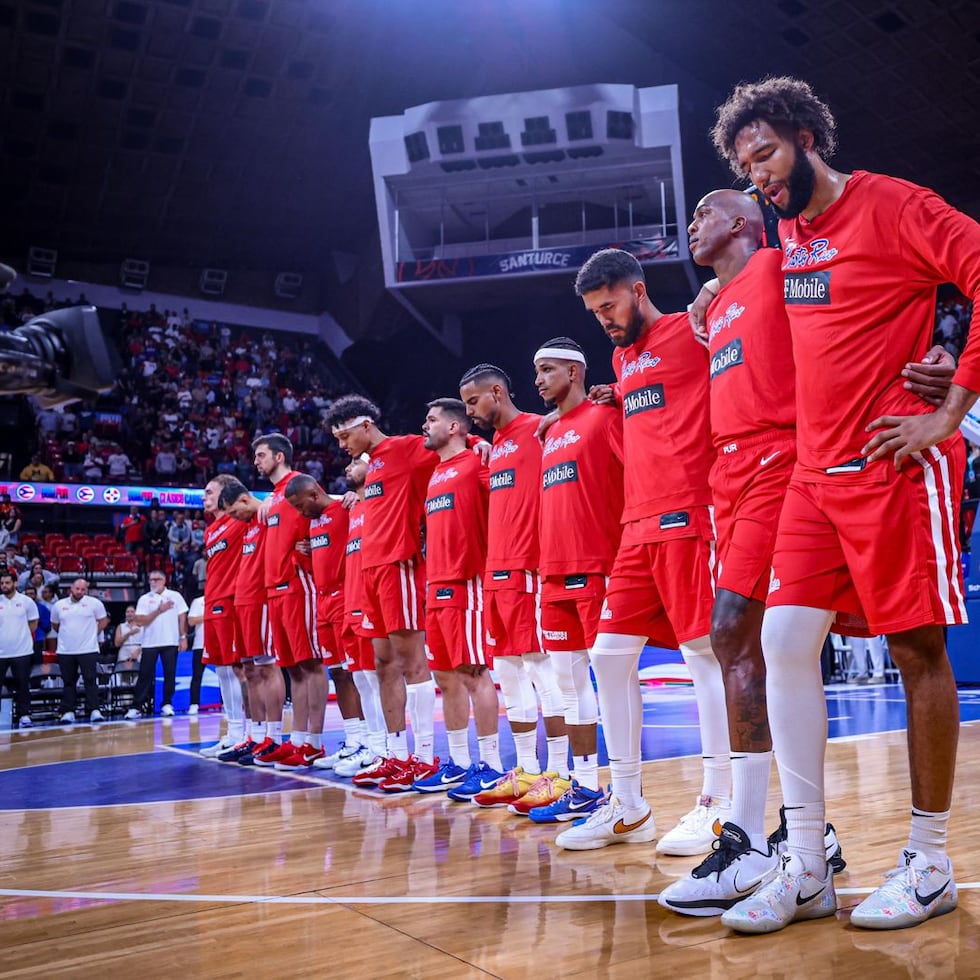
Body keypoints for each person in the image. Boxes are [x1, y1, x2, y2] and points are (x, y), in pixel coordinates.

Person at [710, 75, 980, 934]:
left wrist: (952, 403)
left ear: (805, 137)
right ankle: (805, 865)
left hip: (895, 460)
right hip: (813, 476)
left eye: (767, 154)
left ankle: (931, 862)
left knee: (915, 649)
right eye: (746, 166)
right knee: (783, 641)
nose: (759, 176)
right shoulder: (789, 233)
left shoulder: (893, 204)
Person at [556, 247, 731, 854]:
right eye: (595, 311)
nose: (604, 318)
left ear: (637, 288)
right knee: (607, 657)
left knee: (704, 655)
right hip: (637, 523)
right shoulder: (621, 357)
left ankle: (719, 802)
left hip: (691, 513)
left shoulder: (693, 329)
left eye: (610, 305)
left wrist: (712, 295)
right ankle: (628, 804)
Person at [458, 364, 570, 809]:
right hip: (495, 571)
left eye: (473, 402)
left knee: (544, 671)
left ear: (497, 392)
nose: (469, 412)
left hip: (529, 568)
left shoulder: (537, 429)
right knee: (508, 672)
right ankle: (525, 770)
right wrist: (472, 443)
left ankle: (560, 774)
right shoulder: (495, 445)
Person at [524, 338, 624, 826]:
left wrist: (620, 394)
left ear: (574, 370)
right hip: (553, 570)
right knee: (566, 682)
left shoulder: (606, 417)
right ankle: (583, 785)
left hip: (597, 565)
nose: (539, 379)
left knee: (604, 679)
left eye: (547, 369)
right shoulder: (550, 431)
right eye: (537, 371)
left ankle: (623, 791)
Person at [325, 396, 441, 791]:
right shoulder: (371, 467)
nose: (342, 445)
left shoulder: (406, 448)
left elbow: (451, 454)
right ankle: (395, 755)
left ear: (365, 425)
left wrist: (480, 446)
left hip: (400, 567)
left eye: (344, 435)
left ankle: (425, 758)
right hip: (371, 572)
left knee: (411, 663)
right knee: (382, 664)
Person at [410, 398, 504, 800]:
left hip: (467, 584)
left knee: (473, 674)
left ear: (454, 428)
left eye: (431, 419)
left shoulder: (478, 463)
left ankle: (492, 765)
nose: (424, 425)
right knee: (445, 678)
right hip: (436, 584)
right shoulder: (435, 473)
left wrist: (484, 445)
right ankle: (459, 762)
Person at [285, 471, 378, 772]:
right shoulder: (313, 525)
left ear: (314, 493)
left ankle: (370, 741)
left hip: (346, 597)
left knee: (356, 673)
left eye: (301, 506)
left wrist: (354, 497)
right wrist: (306, 555)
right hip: (323, 602)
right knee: (338, 672)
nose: (301, 513)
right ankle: (353, 741)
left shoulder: (345, 508)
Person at [250, 433, 329, 768]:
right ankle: (297, 740)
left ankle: (315, 742)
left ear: (280, 456)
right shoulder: (273, 497)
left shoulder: (300, 486)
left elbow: (326, 513)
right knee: (294, 669)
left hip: (300, 585)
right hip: (276, 587)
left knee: (311, 663)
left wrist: (312, 544)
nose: (257, 460)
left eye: (261, 454)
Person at [210, 480, 283, 765]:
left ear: (242, 500)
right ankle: (255, 735)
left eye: (233, 513)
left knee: (266, 667)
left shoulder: (265, 513)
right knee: (249, 670)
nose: (233, 519)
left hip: (261, 598)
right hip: (243, 600)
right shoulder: (249, 523)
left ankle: (274, 737)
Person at [126, 569, 188, 718]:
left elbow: (182, 617)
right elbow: (140, 621)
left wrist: (183, 636)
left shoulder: (175, 596)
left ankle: (167, 704)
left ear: (164, 581)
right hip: (149, 642)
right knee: (145, 675)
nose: (153, 582)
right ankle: (136, 707)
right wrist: (159, 610)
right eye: (151, 579)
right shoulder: (144, 599)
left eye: (157, 579)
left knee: (170, 674)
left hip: (170, 641)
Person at [49, 578, 110, 723]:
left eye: (83, 589)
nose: (80, 592)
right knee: (69, 682)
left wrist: (91, 634)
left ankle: (94, 710)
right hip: (66, 650)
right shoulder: (59, 605)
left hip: (88, 649)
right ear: (71, 588)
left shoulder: (95, 603)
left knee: (90, 680)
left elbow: (103, 621)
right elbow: (55, 625)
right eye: (77, 589)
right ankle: (69, 711)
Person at [0, 571, 38, 728]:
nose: (4, 586)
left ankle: (24, 715)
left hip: (22, 651)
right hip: (1, 652)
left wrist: (20, 637)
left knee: (22, 685)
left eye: (7, 583)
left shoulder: (26, 601)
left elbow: (33, 623)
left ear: (15, 583)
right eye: (2, 583)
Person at [187, 593, 205, 715]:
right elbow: (191, 621)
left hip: (218, 643)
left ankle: (225, 703)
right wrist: (209, 615)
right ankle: (194, 704)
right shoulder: (198, 601)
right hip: (200, 644)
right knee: (197, 675)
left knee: (223, 675)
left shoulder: (223, 599)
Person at [114, 605, 142, 670]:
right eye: (127, 612)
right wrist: (129, 633)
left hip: (139, 652)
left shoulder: (142, 626)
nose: (129, 614)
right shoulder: (120, 626)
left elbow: (147, 642)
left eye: (132, 612)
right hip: (124, 652)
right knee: (124, 676)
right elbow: (117, 643)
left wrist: (138, 651)